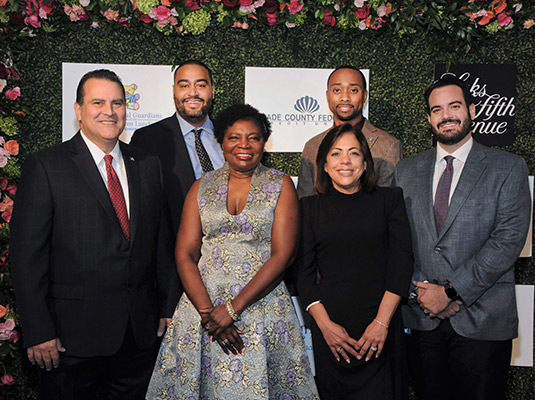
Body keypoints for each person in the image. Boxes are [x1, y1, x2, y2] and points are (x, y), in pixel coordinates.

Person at [9, 69, 178, 399]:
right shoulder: (46, 166)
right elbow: (27, 257)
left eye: (117, 102)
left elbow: (160, 243)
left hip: (138, 336)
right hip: (70, 338)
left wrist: (167, 307)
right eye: (98, 102)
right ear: (78, 110)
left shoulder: (148, 164)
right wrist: (39, 329)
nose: (110, 111)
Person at [147, 104, 319, 399]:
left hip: (261, 307)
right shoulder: (201, 186)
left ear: (264, 144)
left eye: (253, 138)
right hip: (202, 307)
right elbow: (185, 255)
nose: (244, 145)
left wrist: (231, 310)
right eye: (234, 137)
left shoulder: (280, 185)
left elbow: (283, 255)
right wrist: (209, 315)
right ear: (222, 142)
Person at [392, 74, 531, 400]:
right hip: (421, 318)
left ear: (471, 109)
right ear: (429, 118)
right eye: (437, 109)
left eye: (454, 106)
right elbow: (397, 240)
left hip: (482, 318)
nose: (446, 115)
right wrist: (424, 295)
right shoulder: (406, 170)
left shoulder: (508, 167)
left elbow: (508, 240)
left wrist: (452, 293)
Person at [295, 123, 413, 399]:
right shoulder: (310, 209)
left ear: (365, 163)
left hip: (381, 330)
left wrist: (381, 323)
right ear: (323, 165)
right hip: (333, 335)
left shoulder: (390, 200)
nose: (345, 161)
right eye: (335, 154)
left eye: (354, 153)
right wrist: (325, 327)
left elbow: (402, 261)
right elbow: (303, 272)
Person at [130, 59, 224, 236]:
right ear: (174, 91)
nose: (193, 93)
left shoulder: (233, 137)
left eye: (201, 85)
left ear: (212, 91)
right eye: (184, 86)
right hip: (175, 254)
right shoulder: (147, 140)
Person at [297, 66, 401, 198]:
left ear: (365, 96)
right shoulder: (313, 146)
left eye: (353, 90)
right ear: (327, 95)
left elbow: (388, 202)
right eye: (337, 90)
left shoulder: (388, 145)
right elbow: (305, 202)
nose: (345, 97)